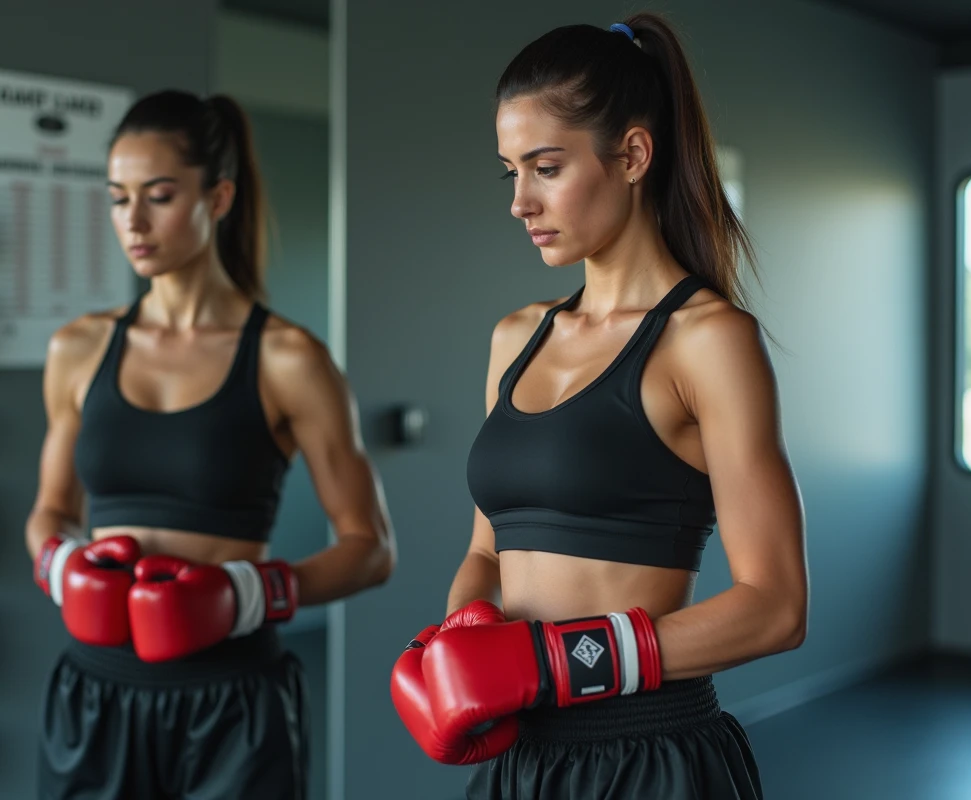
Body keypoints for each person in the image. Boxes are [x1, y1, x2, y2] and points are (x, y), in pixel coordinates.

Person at [391, 14, 807, 800]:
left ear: (633, 155)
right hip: (521, 757)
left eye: (546, 168)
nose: (520, 201)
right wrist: (464, 635)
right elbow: (487, 552)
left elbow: (776, 607)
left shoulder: (707, 340)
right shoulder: (515, 337)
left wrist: (556, 663)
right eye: (510, 172)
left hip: (648, 759)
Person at [27, 89, 395, 800]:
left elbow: (371, 548)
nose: (133, 221)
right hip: (97, 695)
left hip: (234, 704)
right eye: (118, 198)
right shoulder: (78, 348)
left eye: (159, 196)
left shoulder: (288, 358)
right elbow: (50, 511)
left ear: (218, 197)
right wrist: (63, 565)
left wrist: (248, 595)